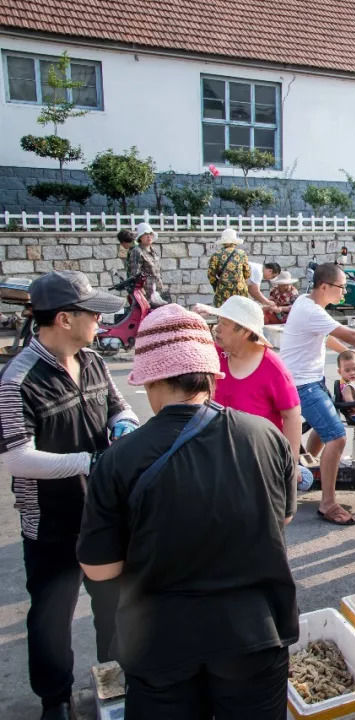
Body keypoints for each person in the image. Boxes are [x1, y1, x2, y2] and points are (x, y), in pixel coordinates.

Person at [77, 304, 298, 720]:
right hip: (254, 636)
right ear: (212, 374)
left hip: (160, 645)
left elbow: (100, 569)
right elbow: (283, 518)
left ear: (152, 378)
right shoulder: (265, 436)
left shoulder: (119, 459)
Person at [0, 271, 135, 720]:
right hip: (52, 521)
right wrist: (88, 462)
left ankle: (113, 685)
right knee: (51, 615)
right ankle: (54, 700)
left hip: (102, 513)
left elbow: (120, 405)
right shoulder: (18, 379)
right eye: (92, 313)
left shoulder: (93, 360)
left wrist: (124, 424)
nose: (100, 320)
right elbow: (19, 458)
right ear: (63, 318)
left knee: (113, 607)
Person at [279, 262, 355, 526]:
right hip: (304, 385)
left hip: (308, 380)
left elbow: (327, 338)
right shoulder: (311, 311)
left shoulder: (306, 303)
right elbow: (351, 334)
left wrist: (352, 352)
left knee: (324, 431)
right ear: (325, 286)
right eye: (342, 288)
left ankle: (311, 473)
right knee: (337, 437)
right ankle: (328, 503)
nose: (344, 293)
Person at [204, 295, 302, 473]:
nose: (217, 329)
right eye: (218, 322)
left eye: (224, 324)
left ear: (245, 331)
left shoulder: (273, 368)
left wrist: (291, 466)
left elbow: (291, 416)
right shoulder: (213, 355)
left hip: (258, 460)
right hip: (216, 456)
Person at [206, 228, 251, 307]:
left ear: (223, 243)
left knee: (223, 313)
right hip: (239, 289)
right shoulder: (241, 254)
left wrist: (217, 286)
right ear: (235, 242)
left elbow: (211, 275)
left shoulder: (216, 255)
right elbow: (247, 273)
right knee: (240, 312)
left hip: (223, 289)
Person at [128, 222, 165, 304]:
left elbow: (157, 272)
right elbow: (135, 274)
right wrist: (140, 291)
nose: (149, 236)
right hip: (145, 294)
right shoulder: (137, 251)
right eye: (145, 234)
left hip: (157, 290)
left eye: (150, 234)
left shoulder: (153, 251)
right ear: (140, 238)